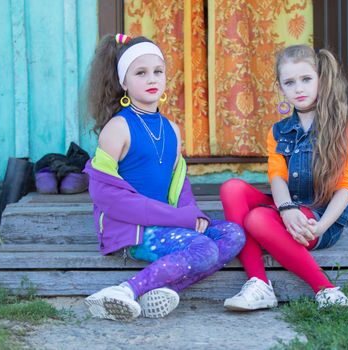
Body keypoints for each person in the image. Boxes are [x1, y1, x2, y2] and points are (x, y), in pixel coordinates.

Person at [82, 34, 245, 322]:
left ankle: (159, 289)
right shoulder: (118, 128)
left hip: (167, 224)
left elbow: (179, 184)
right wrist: (180, 219)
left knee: (233, 234)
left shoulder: (172, 129)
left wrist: (192, 214)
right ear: (124, 82)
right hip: (132, 231)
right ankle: (125, 290)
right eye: (140, 73)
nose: (151, 79)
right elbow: (109, 198)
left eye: (158, 71)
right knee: (203, 248)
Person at [220, 45, 348, 310]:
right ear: (281, 87)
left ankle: (327, 290)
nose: (299, 88)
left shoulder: (342, 125)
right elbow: (277, 178)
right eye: (289, 82)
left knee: (257, 218)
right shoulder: (279, 131)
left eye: (306, 79)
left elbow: (344, 187)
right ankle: (259, 284)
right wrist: (285, 209)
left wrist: (320, 227)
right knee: (231, 188)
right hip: (289, 208)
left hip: (320, 218)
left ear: (321, 79)